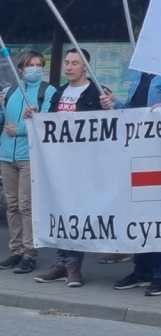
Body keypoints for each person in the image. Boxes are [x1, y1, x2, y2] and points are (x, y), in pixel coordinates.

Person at [101, 69, 161, 296]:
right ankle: (142, 271)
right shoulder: (137, 77)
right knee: (140, 214)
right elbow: (133, 112)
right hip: (139, 154)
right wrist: (116, 104)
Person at [32, 48, 100, 286]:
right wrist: (35, 118)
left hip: (84, 163)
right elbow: (49, 122)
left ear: (85, 67)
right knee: (61, 211)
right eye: (67, 62)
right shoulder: (59, 93)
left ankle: (73, 265)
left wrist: (109, 106)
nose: (69, 67)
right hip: (59, 163)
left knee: (77, 213)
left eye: (75, 63)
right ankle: (61, 262)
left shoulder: (96, 93)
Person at [0, 51, 56, 275]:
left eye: (39, 65)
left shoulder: (48, 91)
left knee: (26, 205)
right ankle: (16, 249)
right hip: (6, 155)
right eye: (30, 65)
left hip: (29, 156)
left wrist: (21, 129)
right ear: (20, 70)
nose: (35, 68)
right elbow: (4, 121)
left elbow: (47, 122)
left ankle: (29, 253)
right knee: (12, 205)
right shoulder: (11, 91)